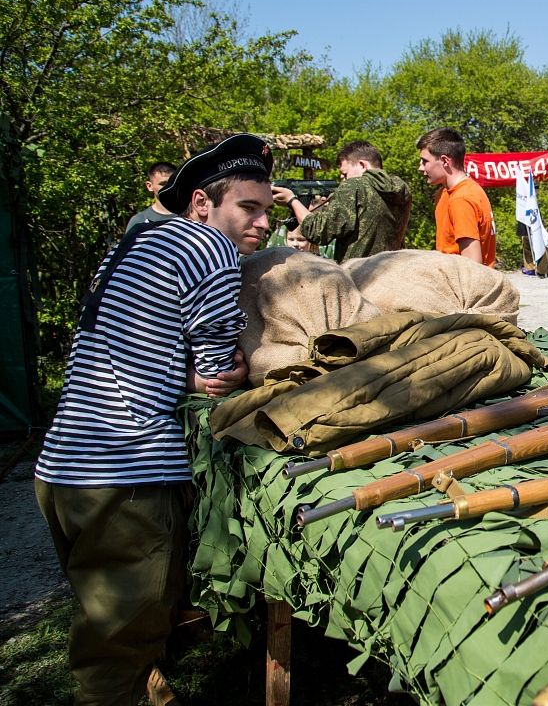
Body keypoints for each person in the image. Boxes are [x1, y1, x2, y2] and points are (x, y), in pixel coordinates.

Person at [35, 133, 274, 704]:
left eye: (267, 209)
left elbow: (109, 340)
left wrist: (181, 371)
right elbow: (221, 367)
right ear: (201, 204)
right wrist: (210, 372)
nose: (263, 223)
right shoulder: (210, 248)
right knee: (116, 650)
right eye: (248, 207)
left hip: (63, 470)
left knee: (111, 628)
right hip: (126, 475)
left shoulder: (134, 243)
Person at [272, 139, 411, 263]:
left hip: (358, 277)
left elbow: (317, 232)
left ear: (362, 165)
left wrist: (291, 200)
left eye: (345, 174)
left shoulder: (354, 186)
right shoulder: (402, 190)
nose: (343, 179)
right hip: (390, 272)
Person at [417, 127, 497, 267]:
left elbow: (472, 267)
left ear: (445, 161)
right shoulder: (447, 193)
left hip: (463, 286)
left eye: (425, 161)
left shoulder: (462, 199)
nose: (420, 168)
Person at [124, 161, 177, 233]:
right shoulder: (140, 221)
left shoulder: (190, 216)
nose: (169, 187)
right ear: (149, 186)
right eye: (163, 184)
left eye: (172, 182)